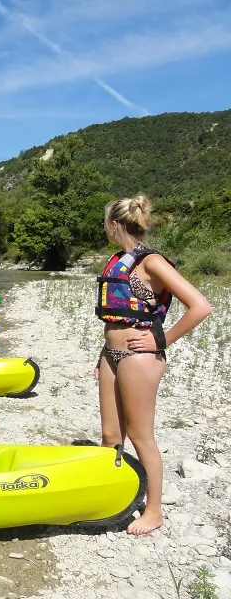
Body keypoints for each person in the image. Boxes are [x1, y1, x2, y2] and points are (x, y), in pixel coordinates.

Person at [95, 195, 211, 535]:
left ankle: (154, 511)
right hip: (111, 356)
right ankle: (108, 496)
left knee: (141, 437)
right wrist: (103, 357)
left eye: (105, 222)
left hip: (139, 358)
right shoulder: (117, 260)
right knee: (110, 436)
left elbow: (200, 306)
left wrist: (162, 340)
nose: (104, 228)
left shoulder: (152, 262)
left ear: (114, 224)